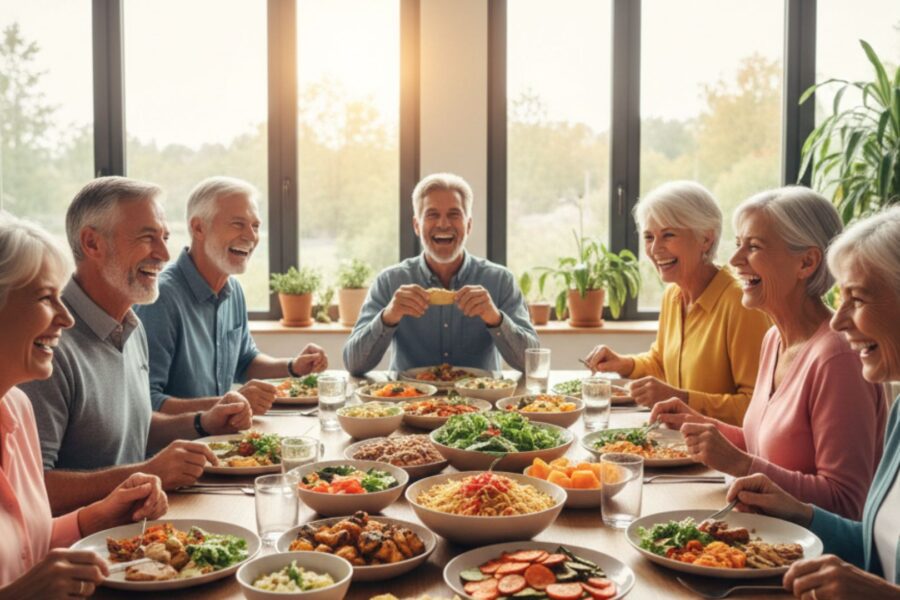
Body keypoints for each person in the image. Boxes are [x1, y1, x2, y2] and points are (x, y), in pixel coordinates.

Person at [19, 177, 252, 516]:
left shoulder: (131, 325)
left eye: (165, 237)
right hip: (80, 552)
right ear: (92, 243)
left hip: (137, 530)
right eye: (147, 238)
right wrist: (148, 472)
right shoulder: (47, 344)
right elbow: (31, 490)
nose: (164, 254)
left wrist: (204, 422)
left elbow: (133, 427)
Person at [651, 187, 886, 519]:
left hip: (810, 560)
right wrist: (700, 424)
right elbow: (763, 445)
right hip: (764, 534)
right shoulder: (774, 338)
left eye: (754, 247)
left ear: (806, 262)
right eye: (737, 245)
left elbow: (847, 502)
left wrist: (739, 464)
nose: (733, 261)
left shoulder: (839, 358)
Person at [726, 206, 900, 598]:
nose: (838, 322)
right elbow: (879, 549)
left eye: (856, 299)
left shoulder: (835, 357)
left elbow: (877, 574)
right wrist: (798, 510)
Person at [0, 212, 168, 598]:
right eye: (46, 298)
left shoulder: (17, 408)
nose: (66, 318)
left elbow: (28, 543)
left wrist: (97, 516)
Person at [134, 176, 327, 416]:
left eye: (255, 226)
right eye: (238, 224)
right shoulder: (161, 298)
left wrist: (293, 366)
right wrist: (228, 403)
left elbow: (245, 361)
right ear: (198, 228)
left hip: (221, 442)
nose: (251, 236)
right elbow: (146, 402)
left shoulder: (233, 291)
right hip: (177, 448)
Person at [585, 181, 771, 425]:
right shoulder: (673, 296)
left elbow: (757, 406)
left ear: (706, 238)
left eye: (668, 235)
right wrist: (624, 363)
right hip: (676, 442)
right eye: (649, 237)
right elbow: (662, 363)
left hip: (723, 454)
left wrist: (681, 398)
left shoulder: (741, 303)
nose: (655, 248)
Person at [343, 172, 538, 375]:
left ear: (468, 225)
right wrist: (388, 317)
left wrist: (495, 318)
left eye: (454, 214)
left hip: (481, 404)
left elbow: (532, 363)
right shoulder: (389, 281)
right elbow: (354, 364)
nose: (443, 224)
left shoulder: (500, 281)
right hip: (408, 402)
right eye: (432, 215)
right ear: (417, 226)